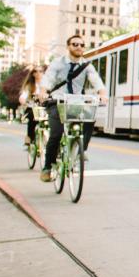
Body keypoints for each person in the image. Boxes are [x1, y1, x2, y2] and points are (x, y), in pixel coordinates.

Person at [39, 35, 108, 182]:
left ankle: (80, 151)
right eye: (75, 44)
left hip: (76, 102)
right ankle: (48, 167)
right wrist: (44, 91)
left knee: (90, 117)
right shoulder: (58, 63)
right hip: (57, 101)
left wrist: (102, 94)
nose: (79, 47)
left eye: (82, 45)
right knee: (56, 134)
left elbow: (96, 80)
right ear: (68, 46)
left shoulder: (87, 66)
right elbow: (48, 78)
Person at [18, 65, 44, 146]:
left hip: (45, 107)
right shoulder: (29, 86)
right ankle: (29, 137)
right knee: (32, 116)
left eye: (40, 71)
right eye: (36, 71)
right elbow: (23, 96)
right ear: (33, 74)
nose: (38, 73)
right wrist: (23, 101)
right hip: (32, 107)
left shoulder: (47, 85)